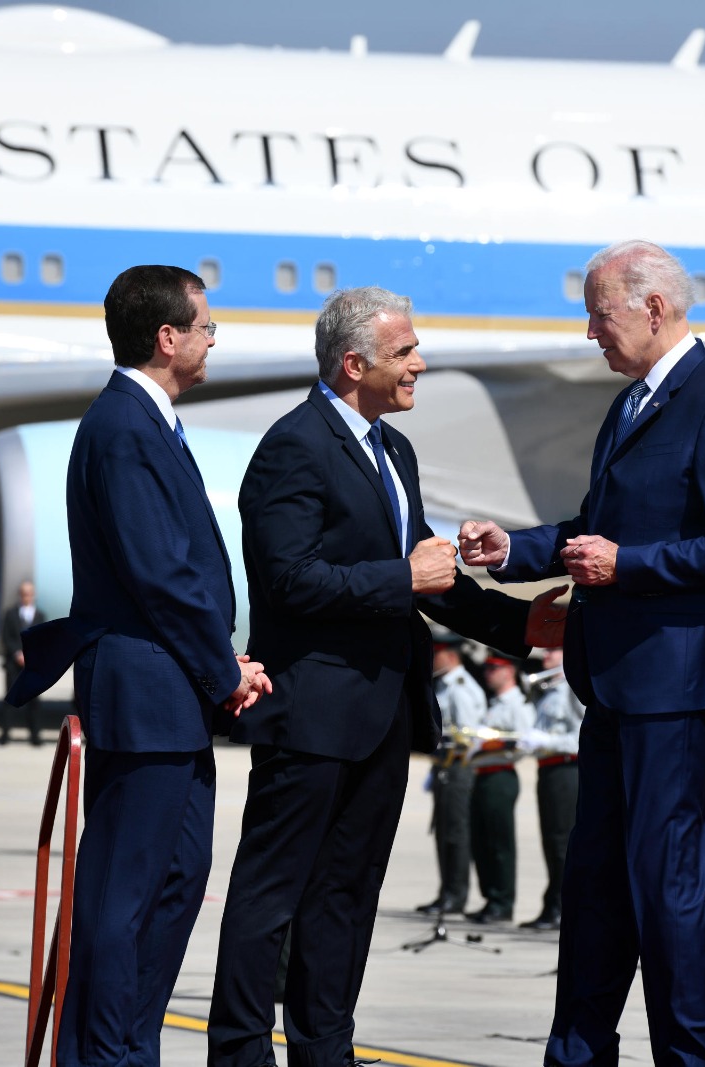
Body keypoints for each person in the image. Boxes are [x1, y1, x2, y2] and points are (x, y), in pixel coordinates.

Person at [208, 287, 564, 1067]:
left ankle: (323, 1050)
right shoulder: (292, 447)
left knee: (347, 892)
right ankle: (238, 1054)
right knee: (272, 895)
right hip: (310, 710)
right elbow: (290, 579)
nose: (420, 364)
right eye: (405, 352)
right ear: (353, 363)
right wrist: (399, 576)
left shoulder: (390, 449)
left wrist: (522, 623)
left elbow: (430, 577)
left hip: (383, 712)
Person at [460, 239, 705, 1067]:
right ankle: (575, 1055)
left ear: (652, 308)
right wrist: (515, 550)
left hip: (674, 687)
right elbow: (593, 527)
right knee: (596, 886)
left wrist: (626, 566)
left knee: (663, 889)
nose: (590, 333)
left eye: (599, 315)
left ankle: (692, 1057)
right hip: (614, 684)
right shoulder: (633, 404)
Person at [3, 264, 272, 1067]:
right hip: (151, 691)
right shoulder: (123, 426)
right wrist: (226, 671)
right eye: (207, 326)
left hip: (173, 694)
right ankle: (101, 1055)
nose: (214, 339)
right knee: (122, 895)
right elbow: (161, 572)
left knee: (179, 876)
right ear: (168, 337)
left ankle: (130, 1046)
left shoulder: (149, 422)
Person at [417, 631, 487, 917]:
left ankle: (455, 895)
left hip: (458, 766)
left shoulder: (460, 687)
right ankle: (446, 891)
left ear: (451, 655)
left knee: (455, 833)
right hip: (445, 766)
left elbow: (468, 735)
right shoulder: (446, 685)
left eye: (437, 654)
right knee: (444, 831)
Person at [519, 646, 585, 931]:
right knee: (550, 840)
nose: (545, 658)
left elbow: (582, 735)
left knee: (561, 841)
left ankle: (562, 906)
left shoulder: (572, 689)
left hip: (567, 769)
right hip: (548, 770)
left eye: (553, 652)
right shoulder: (548, 689)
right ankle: (552, 903)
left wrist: (546, 742)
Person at [468, 655, 535, 924]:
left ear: (509, 671)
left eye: (494, 668)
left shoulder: (517, 704)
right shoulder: (495, 703)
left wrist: (489, 745)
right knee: (481, 841)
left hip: (501, 776)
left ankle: (502, 901)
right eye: (487, 668)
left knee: (499, 842)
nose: (488, 673)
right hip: (483, 774)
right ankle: (490, 898)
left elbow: (522, 742)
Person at [0, 580, 46, 746]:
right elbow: (6, 637)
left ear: (33, 595)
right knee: (10, 700)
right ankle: (5, 734)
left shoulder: (40, 615)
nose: (26, 596)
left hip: (32, 666)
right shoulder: (10, 614)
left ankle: (35, 735)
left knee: (34, 701)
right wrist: (18, 653)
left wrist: (30, 655)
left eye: (29, 593)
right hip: (13, 664)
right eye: (24, 593)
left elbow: (42, 639)